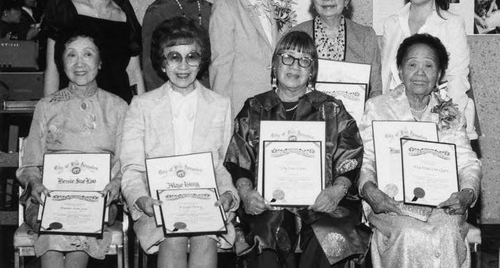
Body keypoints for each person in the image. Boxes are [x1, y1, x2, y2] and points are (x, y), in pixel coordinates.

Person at [224, 31, 370, 268]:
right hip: (269, 204)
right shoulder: (255, 107)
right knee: (264, 236)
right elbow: (239, 159)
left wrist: (336, 191)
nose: (295, 66)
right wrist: (247, 194)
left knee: (333, 237)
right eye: (287, 57)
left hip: (323, 204)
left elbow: (350, 155)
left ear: (312, 70)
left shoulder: (331, 108)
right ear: (274, 63)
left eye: (304, 60)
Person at [120, 17, 239, 268]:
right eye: (174, 57)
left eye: (192, 56)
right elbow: (131, 168)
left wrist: (228, 194)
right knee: (172, 238)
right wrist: (141, 199)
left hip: (204, 203)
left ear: (201, 61)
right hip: (158, 205)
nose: (183, 66)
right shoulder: (142, 106)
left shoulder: (219, 104)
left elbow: (222, 165)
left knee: (205, 236)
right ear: (162, 64)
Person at [358, 33, 481, 268]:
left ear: (439, 73)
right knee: (409, 233)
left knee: (448, 230)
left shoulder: (451, 113)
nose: (420, 72)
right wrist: (370, 191)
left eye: (429, 65)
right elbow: (367, 159)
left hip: (441, 203)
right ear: (401, 70)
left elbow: (467, 162)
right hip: (390, 203)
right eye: (412, 64)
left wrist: (466, 194)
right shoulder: (378, 107)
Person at [16, 29, 128, 268]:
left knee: (81, 220)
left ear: (100, 62)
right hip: (48, 198)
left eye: (88, 54)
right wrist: (35, 184)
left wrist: (116, 184)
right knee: (55, 221)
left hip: (99, 199)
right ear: (61, 62)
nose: (79, 63)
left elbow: (125, 162)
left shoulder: (118, 107)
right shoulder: (47, 106)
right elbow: (30, 163)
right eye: (71, 55)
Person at [380, 0, 474, 137]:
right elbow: (385, 78)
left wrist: (452, 127)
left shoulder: (452, 24)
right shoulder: (392, 23)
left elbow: (457, 80)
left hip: (437, 124)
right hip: (394, 123)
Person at [210, 0, 282, 116]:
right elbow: (220, 71)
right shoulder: (225, 9)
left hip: (278, 114)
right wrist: (224, 121)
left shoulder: (282, 13)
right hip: (241, 114)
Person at [291, 0, 382, 98]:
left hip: (355, 117)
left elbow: (375, 90)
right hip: (306, 117)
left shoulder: (365, 37)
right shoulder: (295, 35)